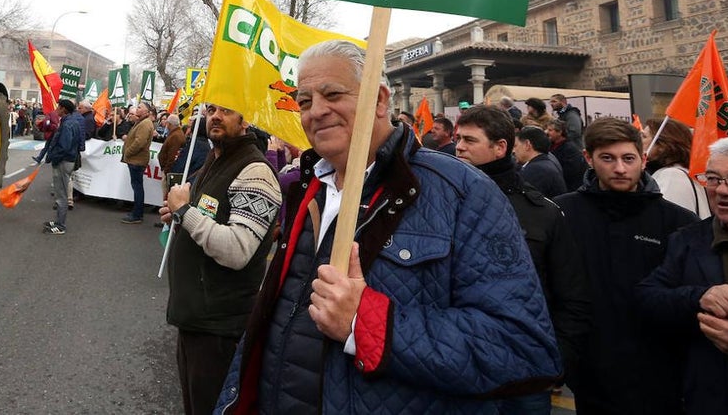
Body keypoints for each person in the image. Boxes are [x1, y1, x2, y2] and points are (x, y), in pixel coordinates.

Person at [215, 40, 560, 413]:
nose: (317, 111)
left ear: (379, 100)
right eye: (305, 101)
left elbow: (520, 347)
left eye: (333, 94)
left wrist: (365, 322)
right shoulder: (306, 187)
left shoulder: (462, 192)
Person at [555, 117, 698, 414]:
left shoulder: (679, 221)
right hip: (589, 365)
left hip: (659, 366)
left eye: (628, 158)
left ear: (643, 160)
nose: (620, 168)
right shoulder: (561, 214)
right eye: (607, 158)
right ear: (589, 159)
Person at [455, 106, 592, 411]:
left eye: (469, 140)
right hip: (457, 365)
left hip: (525, 372)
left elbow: (571, 294)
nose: (459, 147)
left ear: (500, 147)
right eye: (458, 139)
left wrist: (557, 361)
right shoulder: (443, 204)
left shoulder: (542, 213)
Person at [161, 103, 281, 415]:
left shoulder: (255, 172)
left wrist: (185, 212)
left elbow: (237, 250)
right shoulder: (215, 160)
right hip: (195, 318)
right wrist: (178, 215)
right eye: (212, 109)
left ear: (245, 120)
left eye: (227, 110)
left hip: (219, 327)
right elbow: (208, 217)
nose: (215, 115)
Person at [637, 138, 728, 415]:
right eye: (712, 179)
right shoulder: (688, 240)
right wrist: (699, 296)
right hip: (710, 398)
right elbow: (648, 299)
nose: (721, 190)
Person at [642, 117, 709, 219]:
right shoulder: (679, 173)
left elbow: (664, 219)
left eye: (644, 136)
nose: (638, 141)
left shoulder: (672, 176)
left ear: (662, 145)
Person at [41, 99, 84, 236]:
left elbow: (64, 146)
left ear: (63, 109)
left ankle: (60, 225)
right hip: (68, 160)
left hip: (63, 161)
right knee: (61, 193)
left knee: (61, 194)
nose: (56, 109)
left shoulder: (67, 124)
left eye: (58, 107)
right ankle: (58, 221)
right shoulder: (72, 122)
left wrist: (53, 156)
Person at [120, 102, 154, 223]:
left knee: (137, 188)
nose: (137, 109)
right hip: (136, 160)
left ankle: (137, 215)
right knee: (137, 187)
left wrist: (128, 152)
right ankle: (136, 212)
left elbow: (139, 142)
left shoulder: (145, 123)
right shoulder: (142, 122)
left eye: (139, 107)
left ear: (146, 112)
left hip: (137, 160)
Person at [513, 125, 567, 199]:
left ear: (527, 145)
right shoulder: (546, 161)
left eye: (515, 146)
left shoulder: (536, 170)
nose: (513, 151)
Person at [547, 118, 586, 193]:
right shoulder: (550, 145)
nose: (547, 132)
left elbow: (571, 172)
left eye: (550, 130)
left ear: (560, 132)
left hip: (569, 188)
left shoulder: (570, 149)